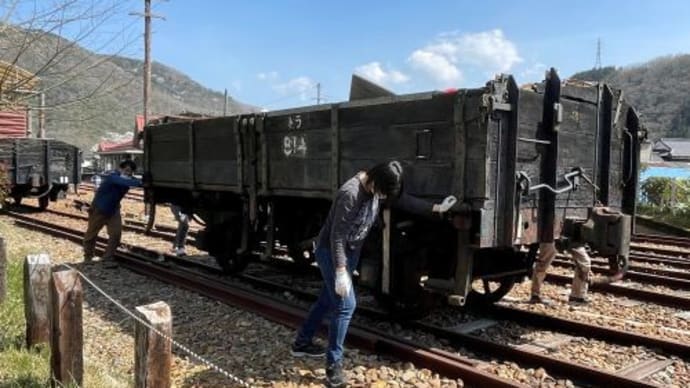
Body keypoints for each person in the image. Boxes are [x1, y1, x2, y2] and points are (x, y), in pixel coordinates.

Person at [290, 161, 457, 387]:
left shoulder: (377, 187)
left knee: (327, 300)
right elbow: (336, 237)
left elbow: (402, 200)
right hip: (331, 253)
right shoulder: (350, 194)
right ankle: (333, 368)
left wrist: (434, 209)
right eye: (384, 192)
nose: (384, 197)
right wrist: (340, 271)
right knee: (346, 305)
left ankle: (302, 343)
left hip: (351, 252)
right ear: (376, 179)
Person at [83, 160, 142, 267]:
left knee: (116, 233)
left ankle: (108, 258)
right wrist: (142, 182)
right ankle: (88, 256)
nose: (128, 173)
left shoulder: (127, 179)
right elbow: (128, 182)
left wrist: (141, 181)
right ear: (120, 169)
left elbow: (133, 181)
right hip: (99, 209)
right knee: (91, 233)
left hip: (113, 209)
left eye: (131, 171)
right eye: (127, 170)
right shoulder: (113, 177)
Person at [529, 241, 592, 305]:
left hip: (570, 237)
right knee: (543, 264)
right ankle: (535, 295)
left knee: (584, 263)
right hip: (551, 236)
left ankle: (577, 296)